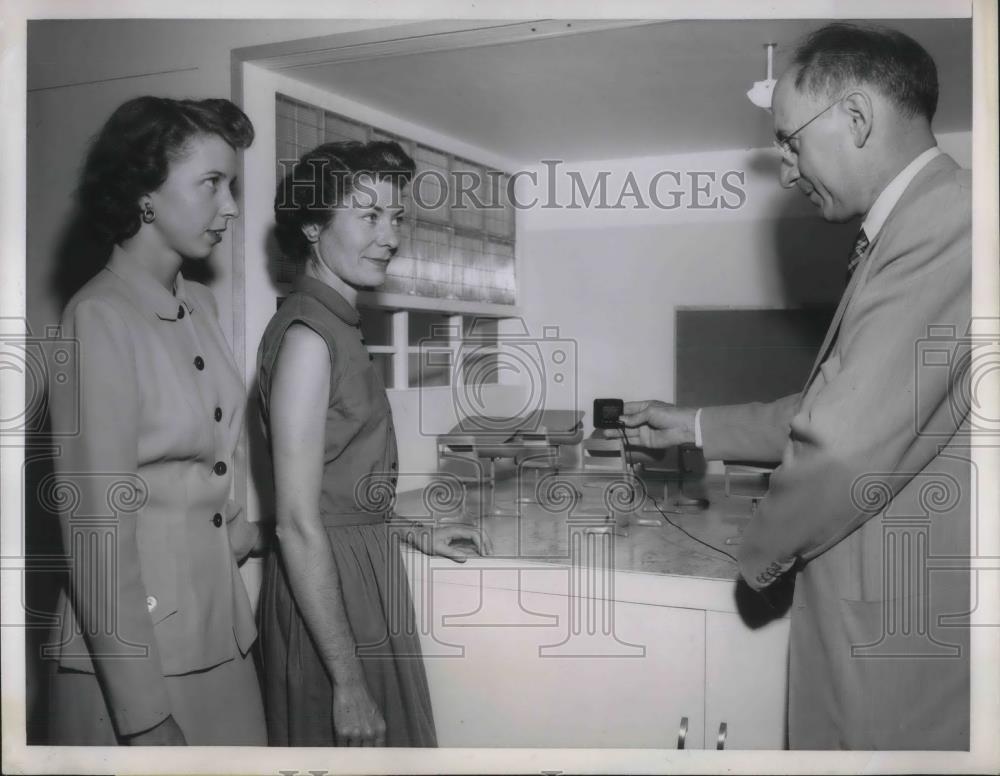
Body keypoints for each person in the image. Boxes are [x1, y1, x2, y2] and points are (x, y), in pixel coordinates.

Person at [616, 23, 970, 749]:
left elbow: (837, 446)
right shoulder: (919, 223)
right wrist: (694, 424)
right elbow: (840, 405)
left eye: (791, 140)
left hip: (889, 639)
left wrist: (758, 555)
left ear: (859, 118)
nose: (785, 169)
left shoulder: (945, 221)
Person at [256, 140, 492, 747]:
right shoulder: (310, 338)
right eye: (368, 215)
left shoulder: (336, 325)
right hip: (330, 595)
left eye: (397, 216)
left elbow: (341, 493)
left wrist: (416, 534)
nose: (389, 235)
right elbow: (297, 525)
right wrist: (348, 683)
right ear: (312, 225)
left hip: (357, 573)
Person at [46, 96, 265, 745]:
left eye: (232, 186)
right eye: (211, 184)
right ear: (144, 192)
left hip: (220, 635)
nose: (230, 207)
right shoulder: (98, 319)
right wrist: (142, 716)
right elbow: (96, 535)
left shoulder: (196, 304)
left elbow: (207, 483)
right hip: (136, 667)